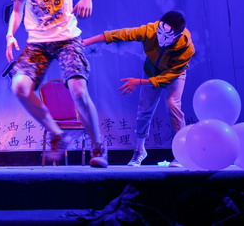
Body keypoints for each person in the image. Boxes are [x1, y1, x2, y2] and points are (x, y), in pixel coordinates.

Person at [5, 0, 108, 168]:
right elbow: (17, 9)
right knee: (19, 87)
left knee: (79, 92)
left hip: (67, 38)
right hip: (37, 42)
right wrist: (10, 35)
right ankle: (57, 135)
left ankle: (97, 146)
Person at [83, 10, 194, 167]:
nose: (161, 38)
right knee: (145, 110)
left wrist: (140, 82)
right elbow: (122, 34)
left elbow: (168, 77)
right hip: (152, 69)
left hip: (173, 74)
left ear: (176, 36)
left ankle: (181, 152)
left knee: (173, 104)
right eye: (160, 32)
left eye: (167, 36)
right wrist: (87, 41)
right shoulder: (150, 30)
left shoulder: (186, 49)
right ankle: (140, 150)